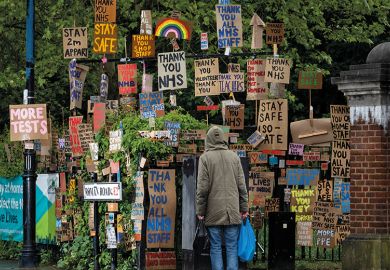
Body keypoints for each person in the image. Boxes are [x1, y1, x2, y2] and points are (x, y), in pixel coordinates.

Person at [196, 126, 249, 270]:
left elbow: (202, 188)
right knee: (232, 247)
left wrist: (200, 211)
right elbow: (242, 186)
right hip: (232, 211)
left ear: (209, 140)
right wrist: (244, 208)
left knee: (216, 247)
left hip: (212, 212)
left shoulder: (205, 158)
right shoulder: (234, 157)